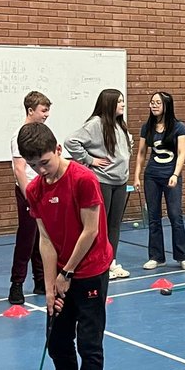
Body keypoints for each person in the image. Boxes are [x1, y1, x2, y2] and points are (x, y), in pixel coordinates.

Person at [16, 122, 114, 370]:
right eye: (32, 165)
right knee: (57, 342)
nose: (40, 170)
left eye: (44, 162)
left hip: (89, 270)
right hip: (61, 274)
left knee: (88, 344)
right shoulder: (35, 190)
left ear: (58, 150)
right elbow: (44, 240)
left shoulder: (83, 179)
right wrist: (49, 289)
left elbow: (90, 231)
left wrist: (67, 274)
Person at [65, 88, 132, 280]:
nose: (123, 104)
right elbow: (71, 141)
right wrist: (89, 159)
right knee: (100, 225)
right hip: (103, 180)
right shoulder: (95, 124)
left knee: (114, 225)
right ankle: (99, 264)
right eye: (119, 101)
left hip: (120, 181)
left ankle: (111, 262)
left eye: (123, 101)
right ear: (109, 103)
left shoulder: (120, 125)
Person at [132, 91, 185, 271]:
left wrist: (175, 174)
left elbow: (181, 153)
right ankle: (156, 257)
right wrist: (136, 176)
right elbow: (142, 153)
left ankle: (183, 255)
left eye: (158, 102)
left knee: (175, 215)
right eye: (152, 102)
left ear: (167, 105)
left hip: (171, 175)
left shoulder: (179, 127)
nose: (154, 105)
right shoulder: (146, 127)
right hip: (152, 176)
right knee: (153, 217)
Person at [9, 91, 51, 305]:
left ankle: (41, 279)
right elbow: (19, 169)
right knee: (26, 238)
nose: (46, 115)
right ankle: (16, 284)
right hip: (28, 191)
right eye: (43, 110)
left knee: (42, 236)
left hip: (44, 189)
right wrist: (29, 197)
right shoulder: (20, 135)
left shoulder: (42, 132)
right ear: (30, 110)